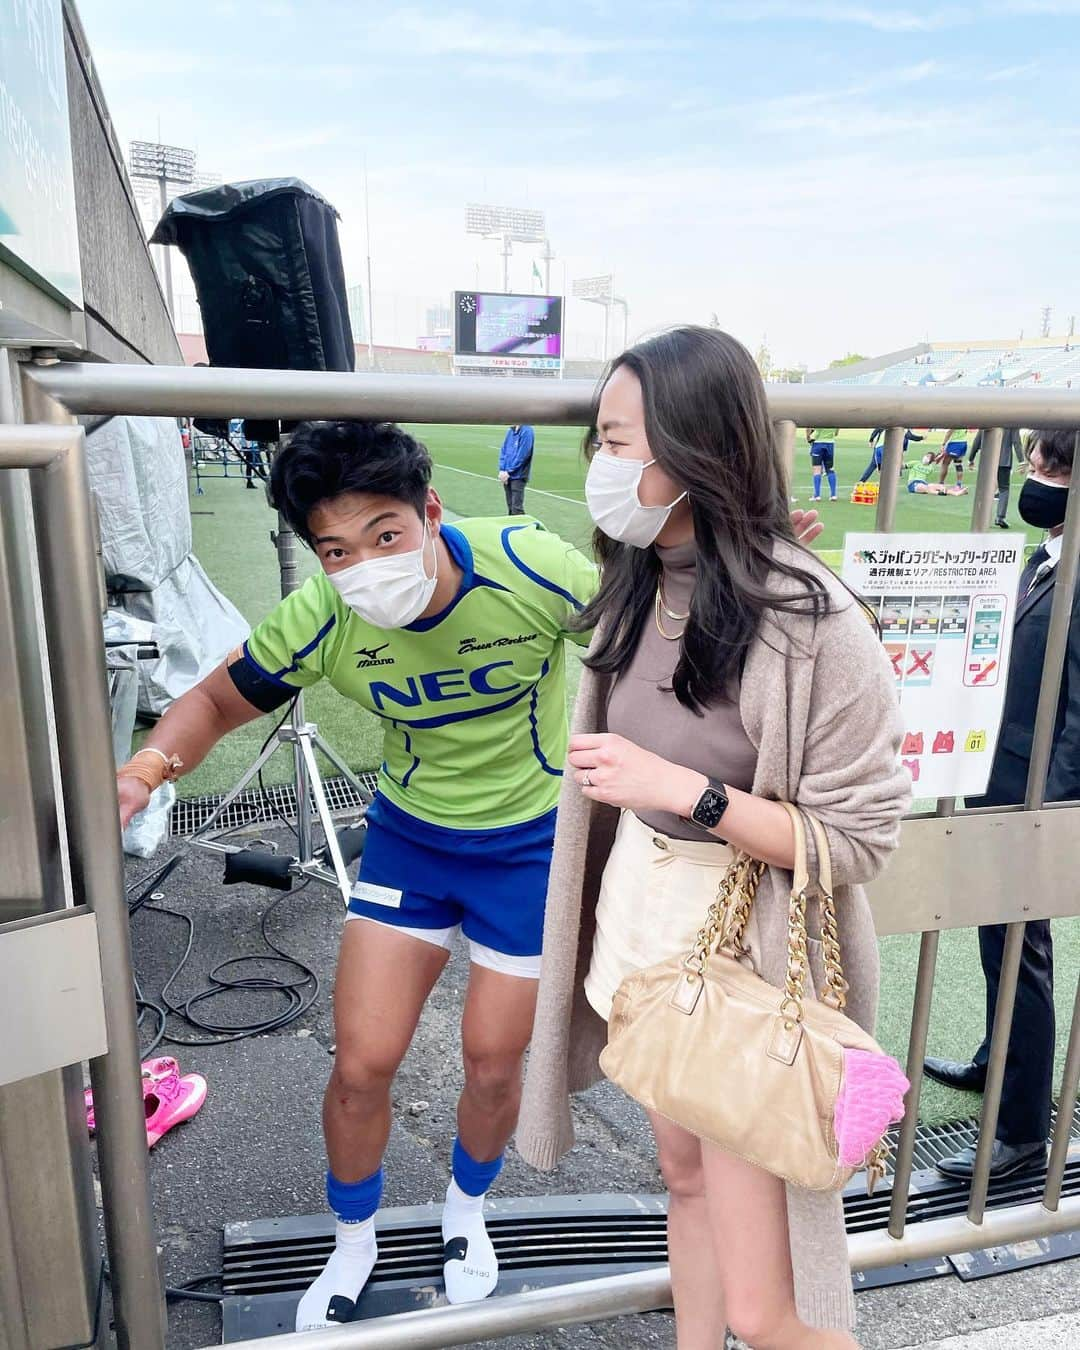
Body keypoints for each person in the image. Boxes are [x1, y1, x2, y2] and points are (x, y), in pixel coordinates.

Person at [114, 420, 599, 1329]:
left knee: (495, 1064)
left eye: (384, 535)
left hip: (530, 846)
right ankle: (354, 1239)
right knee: (362, 1064)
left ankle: (466, 1213)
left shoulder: (531, 566)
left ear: (430, 513)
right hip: (411, 843)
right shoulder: (326, 615)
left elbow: (647, 631)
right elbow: (219, 698)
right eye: (335, 550)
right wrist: (143, 773)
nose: (366, 565)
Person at [517, 327, 910, 1350]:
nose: (601, 468)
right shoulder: (641, 582)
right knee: (683, 1180)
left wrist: (683, 791)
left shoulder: (814, 621)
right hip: (641, 926)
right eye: (596, 442)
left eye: (616, 441)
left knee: (766, 1312)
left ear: (693, 449)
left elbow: (861, 839)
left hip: (741, 954)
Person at [925, 428, 1080, 1181]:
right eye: (1036, 459)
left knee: (1022, 953)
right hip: (1001, 774)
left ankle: (1021, 1131)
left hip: (1032, 795)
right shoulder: (1049, 552)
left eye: (1051, 465)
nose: (1035, 475)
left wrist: (1047, 811)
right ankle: (1000, 1061)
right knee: (1000, 945)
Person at [968, 427, 1024, 527]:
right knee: (1004, 489)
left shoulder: (989, 418)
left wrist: (971, 458)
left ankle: (982, 517)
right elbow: (1016, 442)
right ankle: (1000, 517)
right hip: (1004, 461)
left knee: (985, 489)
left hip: (988, 459)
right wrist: (1021, 461)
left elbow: (978, 440)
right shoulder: (1011, 422)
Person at [497, 423, 535, 514]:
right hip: (506, 475)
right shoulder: (511, 431)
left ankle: (524, 527)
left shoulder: (527, 431)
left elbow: (523, 455)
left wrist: (509, 471)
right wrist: (502, 470)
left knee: (516, 508)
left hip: (518, 475)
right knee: (510, 507)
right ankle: (512, 527)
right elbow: (504, 450)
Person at [806, 425, 839, 501]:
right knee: (830, 469)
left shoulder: (819, 416)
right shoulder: (835, 418)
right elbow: (836, 433)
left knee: (817, 470)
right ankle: (833, 495)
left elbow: (812, 431)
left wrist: (809, 437)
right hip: (830, 443)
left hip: (818, 443)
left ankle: (817, 495)